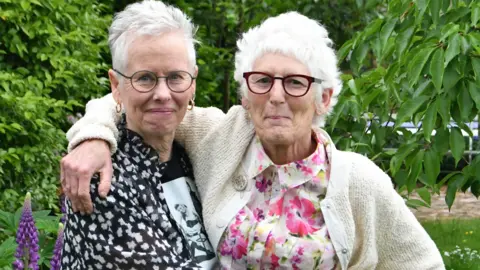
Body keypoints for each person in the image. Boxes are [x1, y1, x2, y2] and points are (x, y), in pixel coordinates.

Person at [61, 9, 445, 270]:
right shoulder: (222, 137)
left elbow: (423, 263)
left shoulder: (358, 181)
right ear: (245, 95)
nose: (276, 96)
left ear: (323, 98)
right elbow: (137, 98)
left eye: (296, 82)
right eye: (262, 81)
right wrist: (93, 136)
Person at [60, 1, 217, 269]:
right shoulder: (104, 182)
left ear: (193, 82)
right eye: (144, 78)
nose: (163, 94)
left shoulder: (199, 153)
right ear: (116, 85)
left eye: (176, 77)